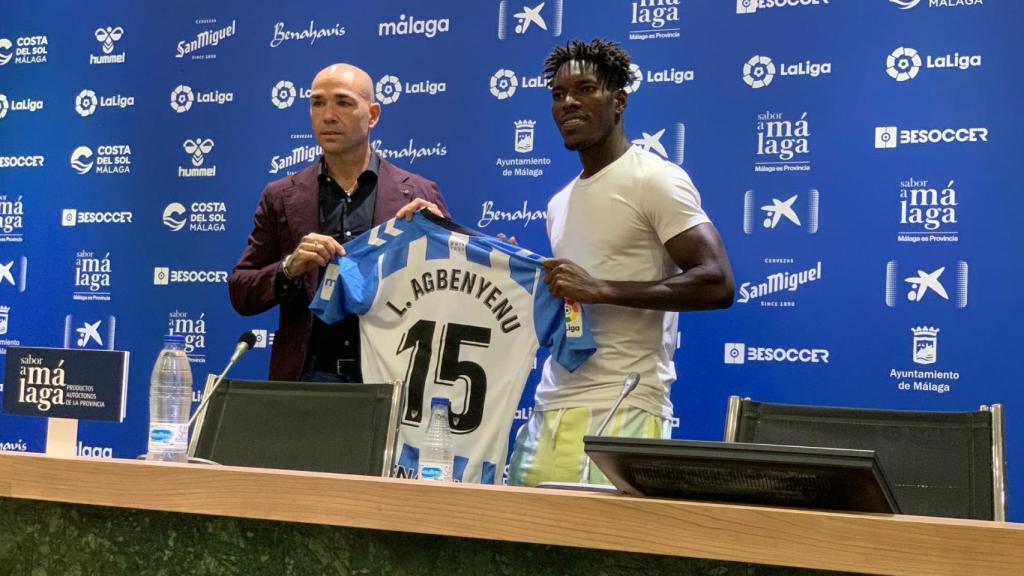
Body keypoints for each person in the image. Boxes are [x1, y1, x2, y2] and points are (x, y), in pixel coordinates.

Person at [507, 39, 735, 486]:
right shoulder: (559, 202)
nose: (569, 102)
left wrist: (603, 289)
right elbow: (573, 300)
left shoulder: (654, 178)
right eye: (558, 94)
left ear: (619, 101)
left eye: (585, 89)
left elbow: (718, 283)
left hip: (624, 407)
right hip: (550, 404)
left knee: (602, 557)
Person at [229, 63, 449, 383]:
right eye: (318, 103)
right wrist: (288, 268)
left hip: (391, 379)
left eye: (343, 102)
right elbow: (241, 292)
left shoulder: (418, 193)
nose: (328, 115)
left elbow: (448, 289)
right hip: (307, 381)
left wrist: (448, 241)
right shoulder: (280, 196)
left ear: (373, 115)